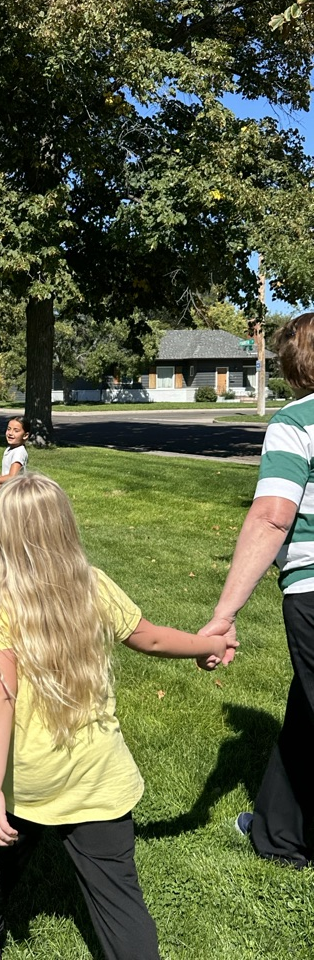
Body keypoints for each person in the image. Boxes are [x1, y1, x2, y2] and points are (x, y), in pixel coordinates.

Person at [0, 472, 232, 960]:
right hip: (99, 774)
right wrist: (209, 644)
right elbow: (152, 638)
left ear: (5, 533)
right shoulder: (93, 584)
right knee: (120, 899)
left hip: (27, 776)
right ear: (64, 526)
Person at [200, 312, 314, 869]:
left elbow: (272, 517)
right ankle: (278, 832)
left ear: (294, 366)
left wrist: (224, 612)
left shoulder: (297, 422)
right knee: (304, 712)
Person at [0, 417, 30, 497]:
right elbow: (4, 475)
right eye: (9, 429)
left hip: (15, 495)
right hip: (7, 493)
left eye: (16, 431)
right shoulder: (9, 449)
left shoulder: (19, 452)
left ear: (25, 435)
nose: (10, 433)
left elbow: (12, 477)